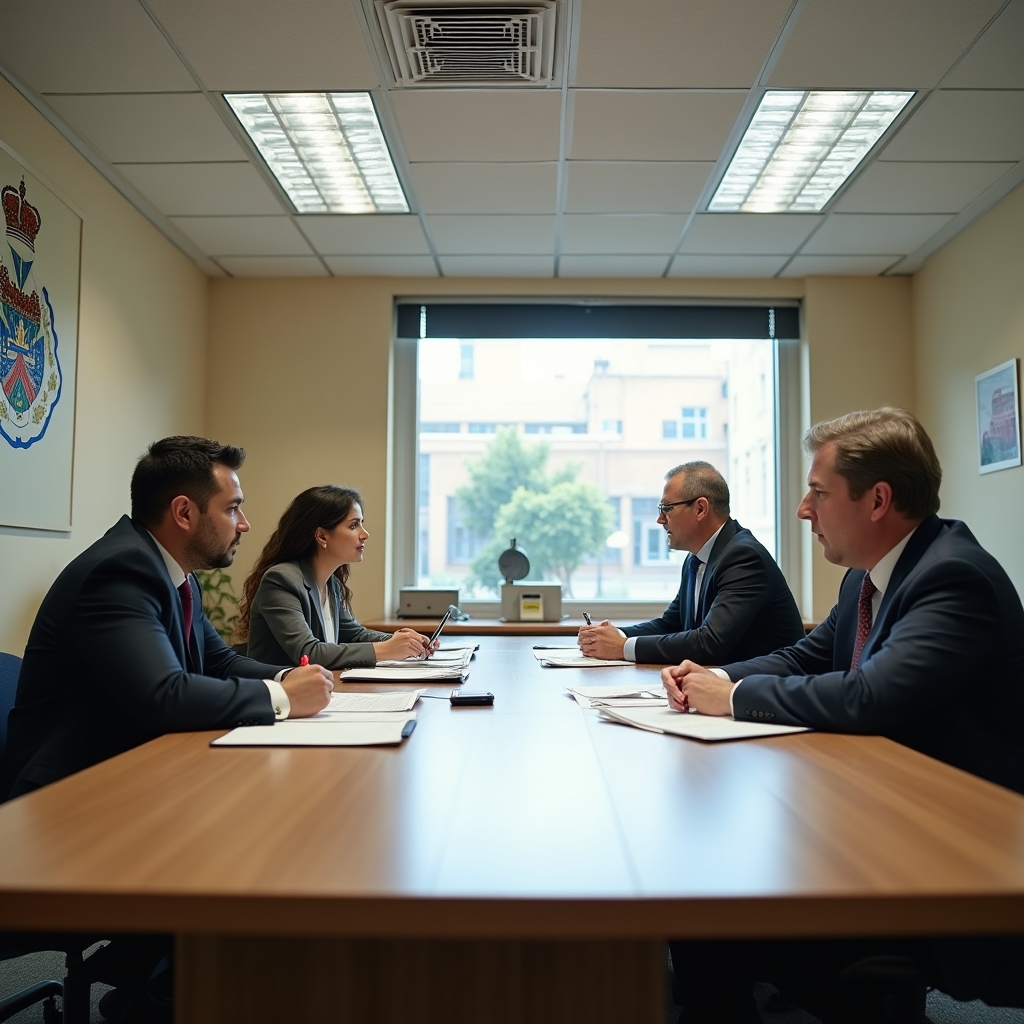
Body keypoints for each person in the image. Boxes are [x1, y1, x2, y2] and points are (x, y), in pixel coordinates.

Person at [663, 408, 1024, 1021]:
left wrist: (734, 699)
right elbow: (806, 655)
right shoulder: (866, 578)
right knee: (702, 880)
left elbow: (869, 696)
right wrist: (717, 677)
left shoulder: (952, 576)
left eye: (819, 493)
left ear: (878, 499)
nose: (804, 510)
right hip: (879, 810)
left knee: (708, 913)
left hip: (958, 856)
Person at [0, 436, 334, 803]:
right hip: (65, 791)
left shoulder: (176, 573)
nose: (244, 525)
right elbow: (163, 694)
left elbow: (217, 661)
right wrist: (282, 695)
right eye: (233, 509)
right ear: (184, 512)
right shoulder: (120, 571)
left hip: (134, 767)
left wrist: (289, 676)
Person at [578, 461, 804, 664]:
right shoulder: (695, 558)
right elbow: (671, 624)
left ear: (700, 509)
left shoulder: (744, 557)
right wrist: (612, 636)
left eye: (667, 508)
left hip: (767, 693)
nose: (660, 519)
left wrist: (621, 647)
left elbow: (709, 642)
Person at [239, 485, 436, 669]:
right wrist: (386, 650)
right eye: (353, 526)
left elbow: (354, 634)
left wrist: (404, 642)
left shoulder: (330, 582)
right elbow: (308, 653)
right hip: (278, 699)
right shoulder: (281, 580)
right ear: (322, 537)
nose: (365, 534)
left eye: (362, 524)